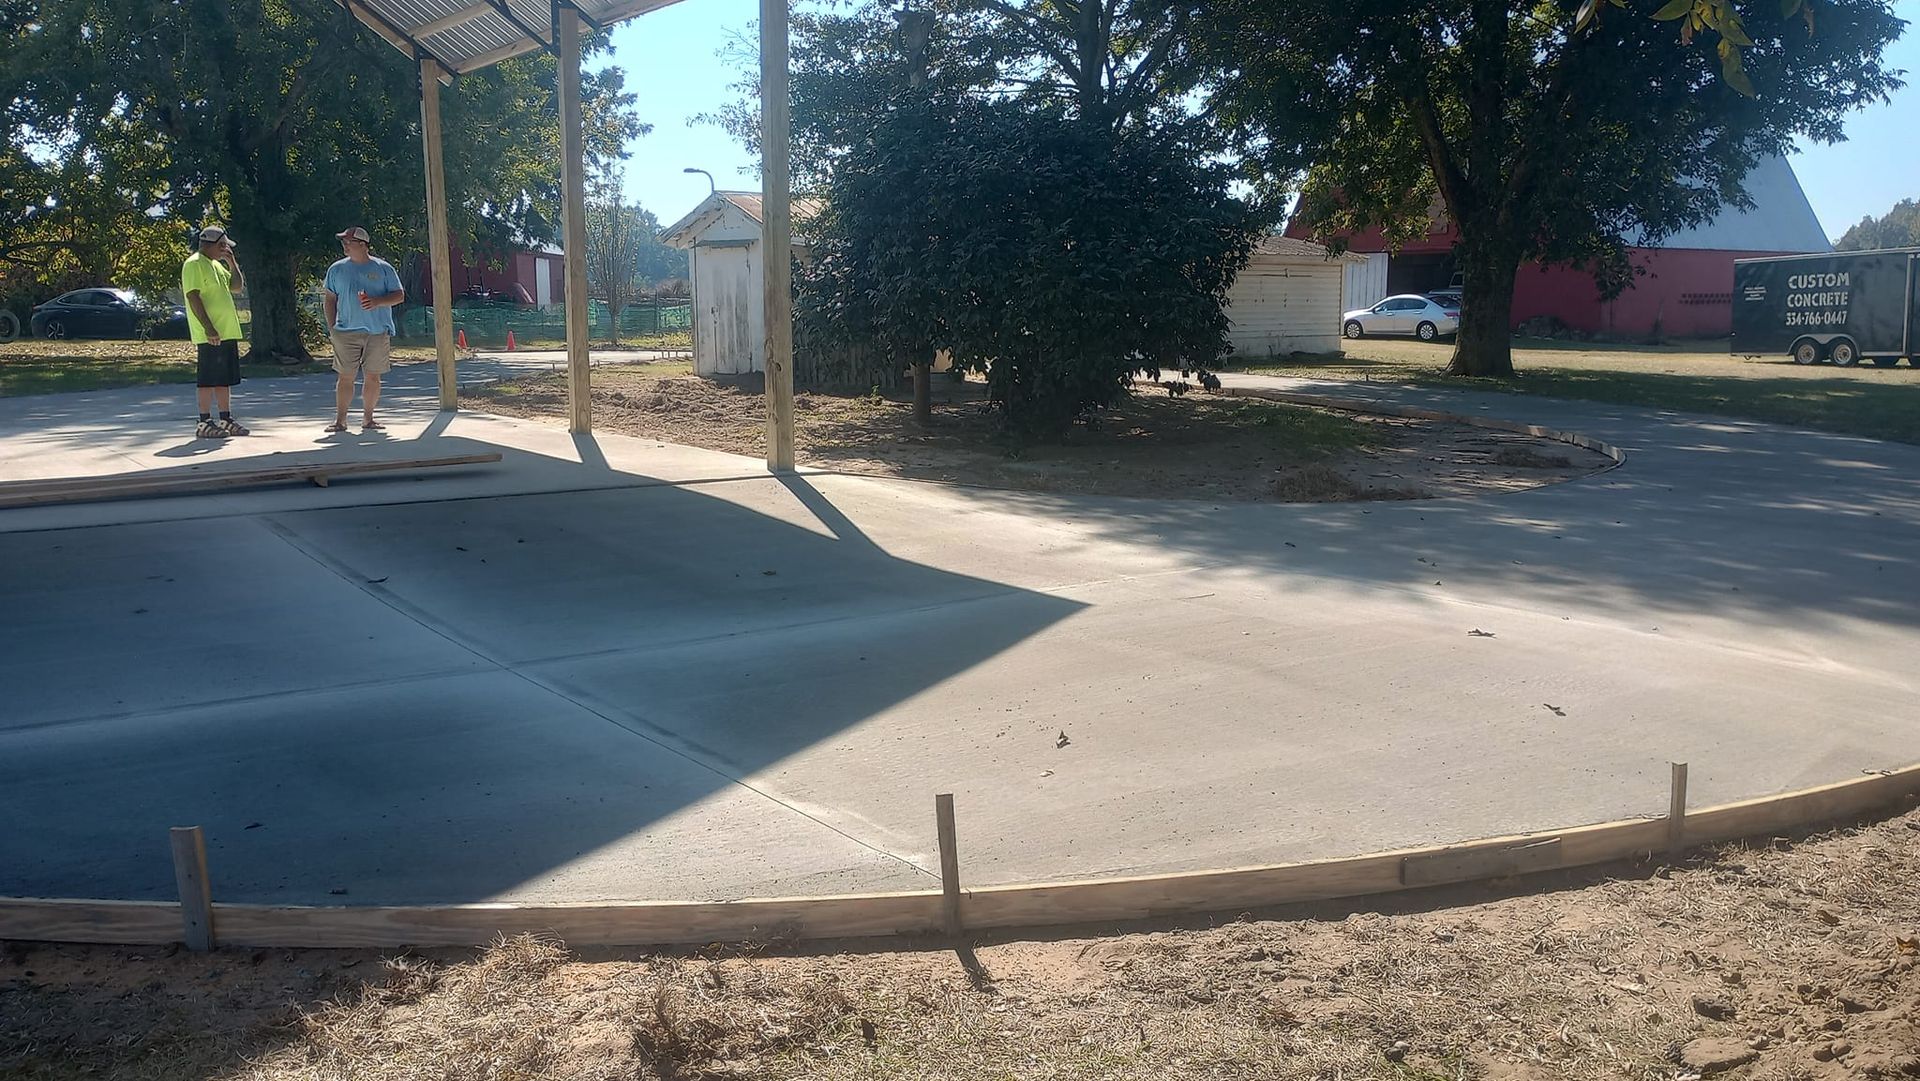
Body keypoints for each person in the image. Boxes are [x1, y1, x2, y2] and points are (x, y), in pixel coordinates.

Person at [323, 226, 405, 432]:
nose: (344, 245)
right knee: (345, 376)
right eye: (343, 241)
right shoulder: (336, 269)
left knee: (373, 376)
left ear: (362, 244)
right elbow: (330, 300)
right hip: (345, 332)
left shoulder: (384, 268)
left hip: (377, 332)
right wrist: (332, 327)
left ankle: (368, 419)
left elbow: (399, 295)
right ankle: (340, 421)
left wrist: (377, 301)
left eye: (348, 242)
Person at [182, 226, 249, 438]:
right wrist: (208, 327)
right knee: (208, 378)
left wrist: (232, 263)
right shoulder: (194, 264)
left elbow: (237, 287)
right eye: (223, 246)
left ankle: (225, 418)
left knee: (223, 378)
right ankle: (204, 421)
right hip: (210, 334)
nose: (225, 249)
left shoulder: (217, 265)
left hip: (226, 331)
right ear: (213, 244)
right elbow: (193, 296)